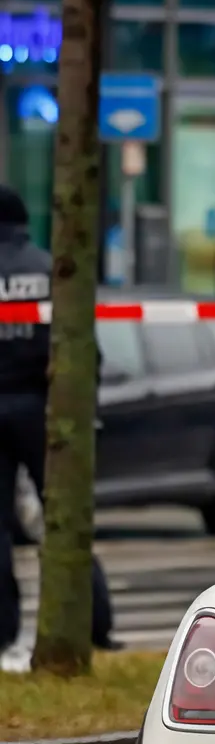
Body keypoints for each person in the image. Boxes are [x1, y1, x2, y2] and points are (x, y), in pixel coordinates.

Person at [0, 185, 113, 653]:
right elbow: (87, 352)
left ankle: (2, 631)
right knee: (65, 517)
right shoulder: (53, 271)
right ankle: (92, 623)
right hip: (46, 410)